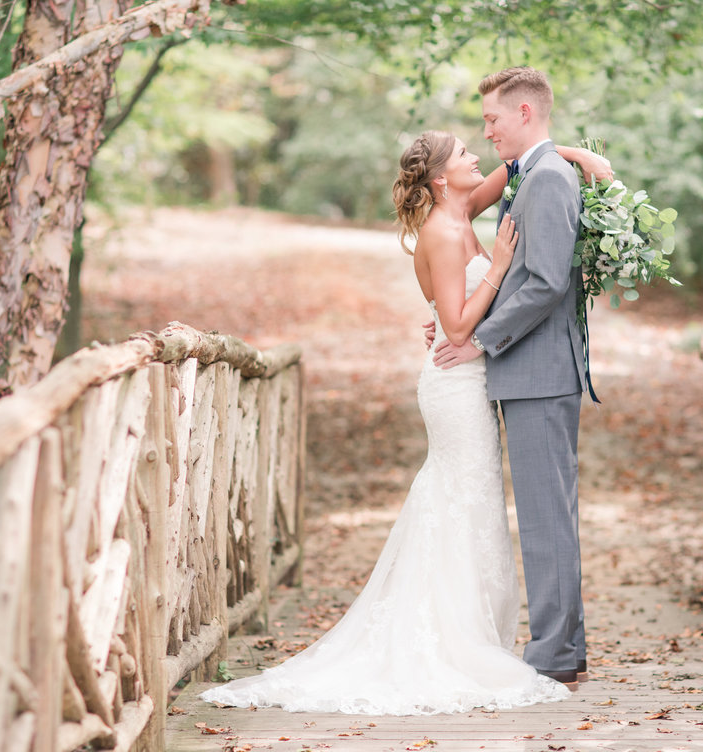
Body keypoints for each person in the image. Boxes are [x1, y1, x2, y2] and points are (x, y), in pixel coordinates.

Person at [200, 126, 608, 715]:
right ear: (442, 176)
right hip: (455, 381)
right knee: (457, 496)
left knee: (475, 502)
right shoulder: (441, 234)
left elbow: (524, 167)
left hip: (471, 375)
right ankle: (445, 638)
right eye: (465, 152)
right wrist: (495, 267)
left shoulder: (466, 206)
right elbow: (461, 328)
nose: (478, 153)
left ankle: (473, 632)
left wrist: (570, 153)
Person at [432, 67, 603, 692]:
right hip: (527, 369)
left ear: (525, 113)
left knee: (546, 516)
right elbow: (521, 273)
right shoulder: (537, 171)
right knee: (542, 513)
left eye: (493, 120)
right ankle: (561, 646)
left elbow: (546, 281)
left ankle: (556, 652)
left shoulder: (549, 178)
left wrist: (479, 338)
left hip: (540, 371)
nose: (487, 130)